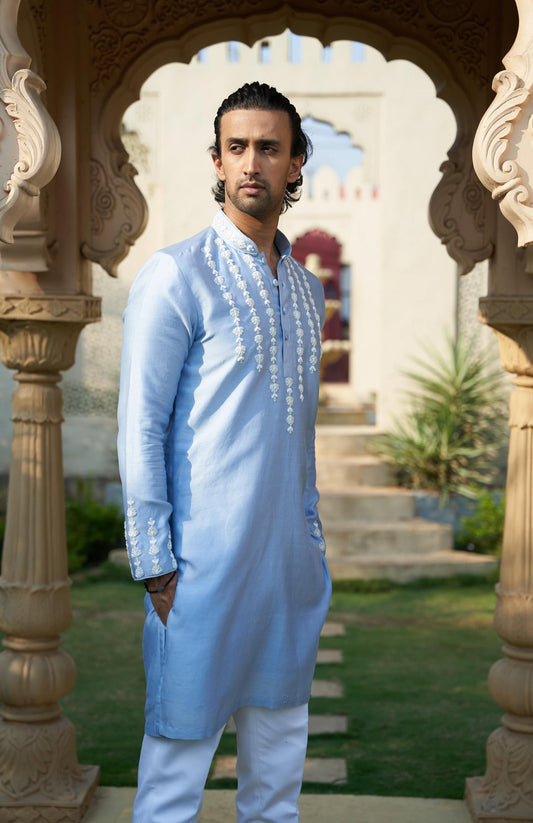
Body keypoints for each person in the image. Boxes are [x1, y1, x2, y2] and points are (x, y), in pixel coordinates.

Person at [117, 81, 332, 823]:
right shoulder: (176, 275)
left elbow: (298, 436)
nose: (251, 163)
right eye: (236, 147)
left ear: (296, 163)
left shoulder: (307, 294)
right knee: (174, 783)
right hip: (197, 573)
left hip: (286, 574)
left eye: (268, 148)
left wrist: (309, 542)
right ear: (215, 159)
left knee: (275, 790)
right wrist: (154, 561)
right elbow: (140, 423)